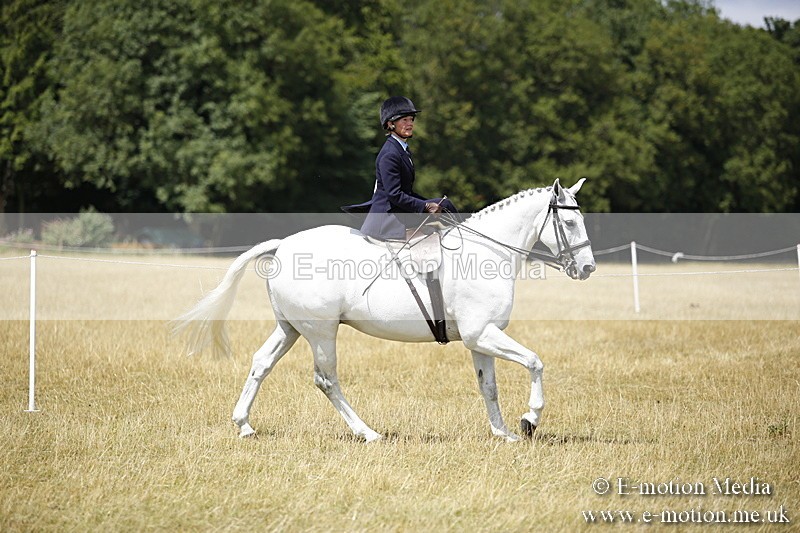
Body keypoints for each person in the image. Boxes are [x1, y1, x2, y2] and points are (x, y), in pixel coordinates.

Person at [342, 96, 457, 240]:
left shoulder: (401, 149)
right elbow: (394, 194)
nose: (410, 124)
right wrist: (425, 206)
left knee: (444, 204)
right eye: (404, 120)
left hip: (399, 208)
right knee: (445, 205)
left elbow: (407, 192)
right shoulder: (390, 154)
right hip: (388, 217)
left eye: (411, 119)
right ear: (391, 124)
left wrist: (427, 203)